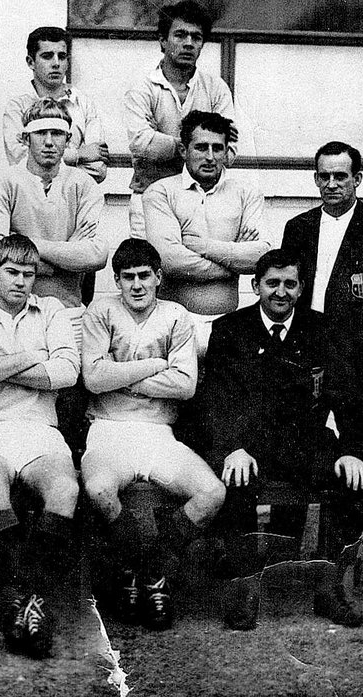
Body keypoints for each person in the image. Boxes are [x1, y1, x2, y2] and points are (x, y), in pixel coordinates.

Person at [201, 248, 363, 630]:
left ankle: (329, 588)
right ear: (255, 285)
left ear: (301, 288)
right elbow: (216, 399)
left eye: (290, 284)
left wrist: (352, 450)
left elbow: (347, 395)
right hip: (249, 445)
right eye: (272, 283)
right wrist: (232, 447)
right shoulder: (229, 330)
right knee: (235, 480)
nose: (281, 292)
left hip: (304, 442)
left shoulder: (321, 328)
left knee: (352, 480)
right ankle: (243, 590)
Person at [81, 238, 225, 630]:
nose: (137, 285)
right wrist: (155, 365)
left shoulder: (175, 315)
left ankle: (154, 567)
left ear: (159, 277)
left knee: (212, 493)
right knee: (98, 490)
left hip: (159, 433)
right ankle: (132, 566)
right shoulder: (101, 310)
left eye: (144, 275)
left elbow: (185, 385)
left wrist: (119, 375)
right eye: (127, 277)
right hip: (108, 430)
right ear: (117, 280)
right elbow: (93, 379)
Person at [0, 235, 80, 658]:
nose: (21, 282)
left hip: (40, 429)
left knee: (66, 490)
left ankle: (28, 596)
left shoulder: (52, 310)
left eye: (28, 274)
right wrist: (31, 358)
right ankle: (18, 598)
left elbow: (67, 373)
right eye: (11, 272)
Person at [0, 98, 106, 453]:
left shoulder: (83, 184)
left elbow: (96, 254)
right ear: (25, 138)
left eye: (57, 133)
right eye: (40, 133)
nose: (49, 142)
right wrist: (66, 255)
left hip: (68, 308)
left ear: (69, 140)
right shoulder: (4, 181)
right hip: (18, 311)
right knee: (16, 399)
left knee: (70, 403)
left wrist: (27, 245)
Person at [142, 110, 268, 355]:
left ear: (226, 152)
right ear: (183, 150)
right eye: (201, 147)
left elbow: (262, 257)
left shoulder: (247, 193)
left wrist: (204, 247)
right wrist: (234, 260)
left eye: (217, 148)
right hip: (173, 324)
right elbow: (169, 261)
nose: (210, 157)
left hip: (230, 323)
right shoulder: (160, 192)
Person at [124, 0, 236, 238]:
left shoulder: (216, 88)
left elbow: (230, 148)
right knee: (150, 260)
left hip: (203, 200)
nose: (188, 43)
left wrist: (170, 144)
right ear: (163, 41)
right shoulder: (143, 89)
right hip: (149, 196)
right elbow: (141, 142)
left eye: (196, 37)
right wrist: (193, 144)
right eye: (180, 35)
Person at [3, 26, 108, 184]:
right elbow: (20, 160)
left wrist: (45, 163)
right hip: (31, 194)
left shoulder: (83, 103)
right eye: (47, 56)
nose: (56, 63)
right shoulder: (17, 107)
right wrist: (79, 155)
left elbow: (98, 167)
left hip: (75, 194)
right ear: (31, 62)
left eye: (62, 56)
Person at [281, 141, 363, 325]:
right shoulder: (298, 227)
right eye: (325, 176)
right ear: (316, 179)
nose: (331, 185)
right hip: (307, 331)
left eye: (340, 177)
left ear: (357, 179)